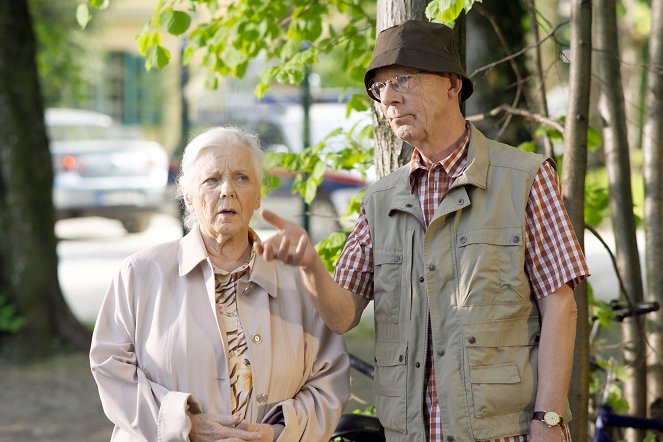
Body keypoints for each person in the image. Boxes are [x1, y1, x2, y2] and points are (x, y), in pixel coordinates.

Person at [254, 20, 590, 442]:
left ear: (453, 85)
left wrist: (550, 419)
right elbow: (342, 315)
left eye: (404, 80)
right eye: (379, 89)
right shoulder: (380, 201)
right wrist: (308, 264)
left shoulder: (523, 178)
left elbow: (562, 306)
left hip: (504, 433)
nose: (390, 98)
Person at [90, 126, 350, 442]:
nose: (227, 190)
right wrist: (182, 424)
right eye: (212, 180)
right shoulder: (141, 273)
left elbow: (329, 380)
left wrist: (280, 433)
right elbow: (111, 369)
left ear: (258, 196)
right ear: (188, 196)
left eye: (241, 178)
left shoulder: (297, 279)